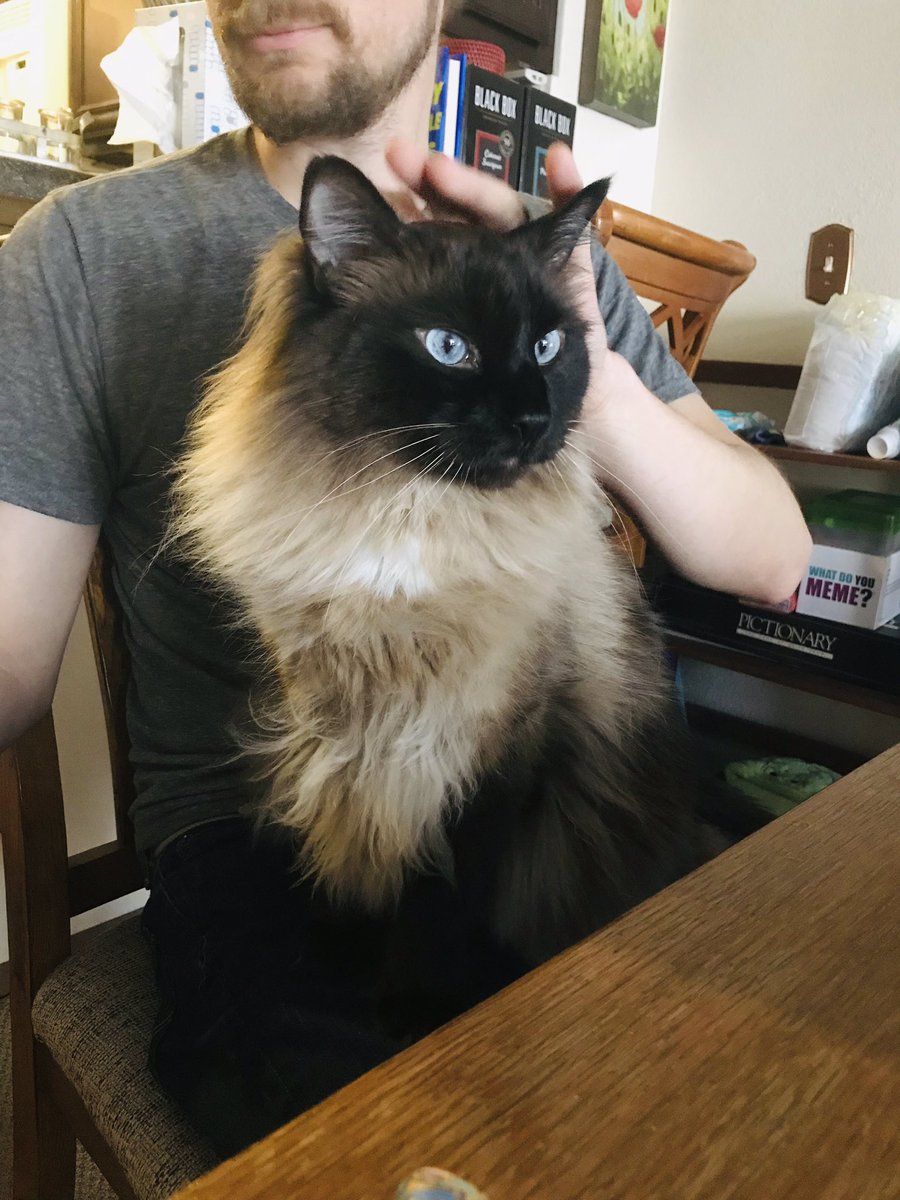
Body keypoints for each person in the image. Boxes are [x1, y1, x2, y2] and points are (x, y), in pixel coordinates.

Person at [0, 0, 811, 1161]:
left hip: (541, 803)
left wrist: (590, 359)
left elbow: (775, 560)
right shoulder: (82, 250)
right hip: (259, 838)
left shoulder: (534, 248)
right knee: (415, 1146)